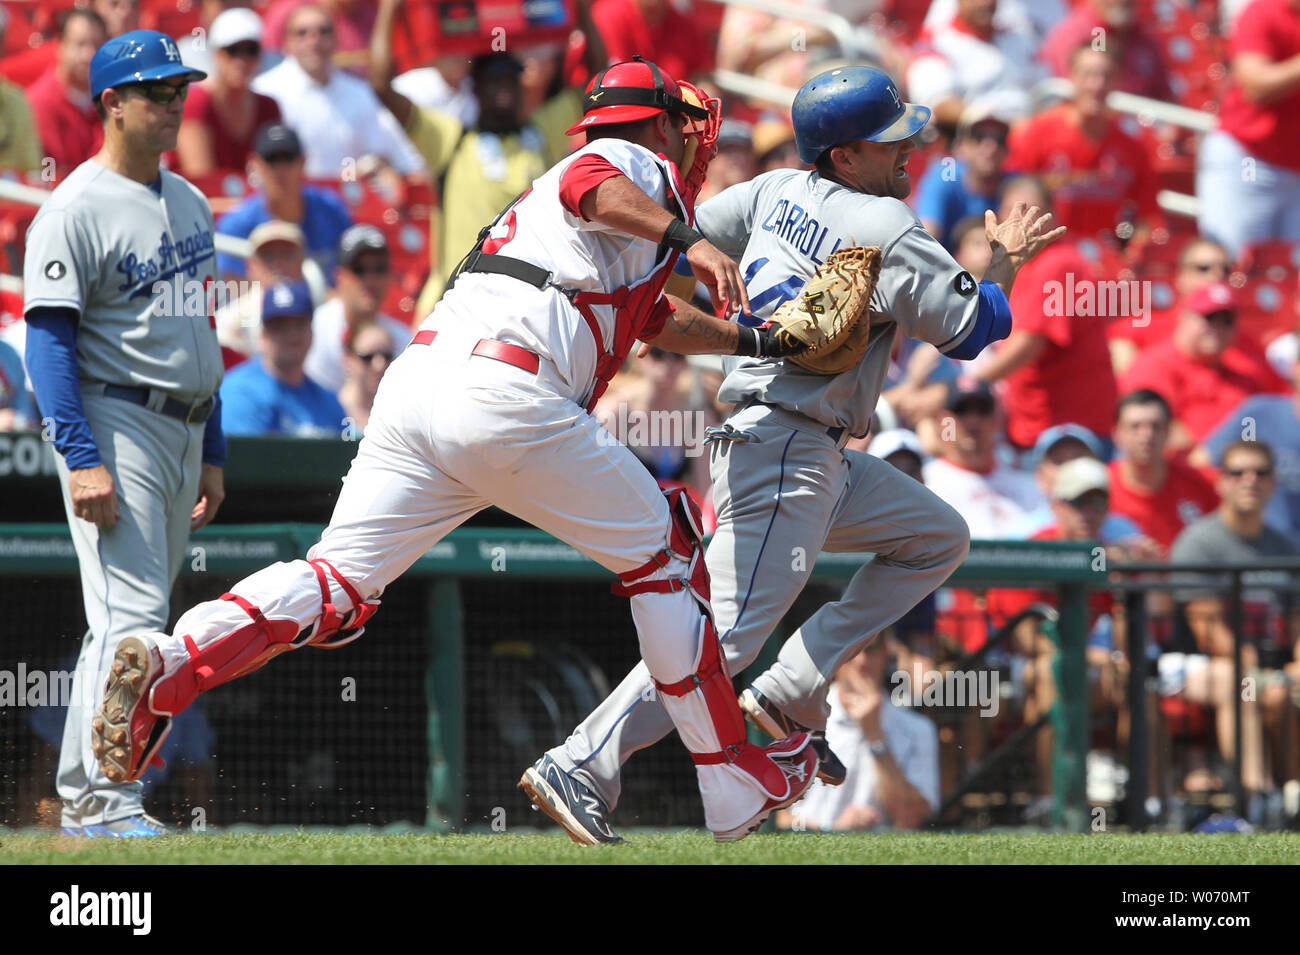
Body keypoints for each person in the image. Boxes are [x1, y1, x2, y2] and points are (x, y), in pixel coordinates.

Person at [90, 58, 824, 844]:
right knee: (667, 550)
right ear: (649, 122)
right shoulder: (626, 166)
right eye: (678, 119)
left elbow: (655, 321)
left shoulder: (604, 215)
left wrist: (759, 338)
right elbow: (592, 184)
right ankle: (727, 772)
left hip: (423, 384)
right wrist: (693, 241)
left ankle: (174, 662)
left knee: (337, 580)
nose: (688, 134)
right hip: (507, 391)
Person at [525, 66, 1065, 843]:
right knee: (728, 636)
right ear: (844, 156)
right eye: (890, 140)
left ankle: (789, 692)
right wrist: (1004, 259)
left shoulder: (777, 190)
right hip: (785, 441)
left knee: (935, 537)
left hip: (802, 445)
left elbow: (684, 237)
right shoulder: (887, 228)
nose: (910, 148)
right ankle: (583, 760)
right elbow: (974, 332)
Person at [23, 30, 222, 837]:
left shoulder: (191, 201)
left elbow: (201, 330)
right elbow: (48, 343)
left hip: (183, 426)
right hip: (117, 420)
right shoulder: (72, 206)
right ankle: (106, 803)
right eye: (155, 90)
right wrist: (80, 456)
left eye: (179, 88)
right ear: (110, 102)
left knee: (123, 620)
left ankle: (81, 790)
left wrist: (213, 449)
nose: (173, 102)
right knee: (137, 614)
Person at [367, 0, 604, 316]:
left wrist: (583, 13)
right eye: (492, 81)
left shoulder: (541, 132)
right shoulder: (449, 140)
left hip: (526, 298)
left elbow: (597, 87)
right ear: (475, 88)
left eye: (509, 80)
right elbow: (381, 86)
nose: (502, 90)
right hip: (459, 301)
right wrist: (389, 10)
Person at [973, 176, 1118, 451]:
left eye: (1034, 213)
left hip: (1066, 434)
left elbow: (1029, 345)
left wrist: (967, 386)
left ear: (1054, 217)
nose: (1025, 223)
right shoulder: (1023, 265)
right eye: (1015, 213)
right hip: (1037, 427)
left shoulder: (1058, 262)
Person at [251, 2, 424, 181]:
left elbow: (395, 156)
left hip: (349, 202)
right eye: (302, 33)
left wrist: (365, 170)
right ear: (287, 42)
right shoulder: (264, 93)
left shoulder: (360, 93)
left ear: (336, 39)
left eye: (323, 31)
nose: (314, 40)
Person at [1006, 44, 1159, 243]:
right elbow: (1011, 198)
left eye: (1107, 75)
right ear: (1072, 77)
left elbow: (1148, 217)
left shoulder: (1132, 148)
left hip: (1105, 260)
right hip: (1044, 251)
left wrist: (1131, 254)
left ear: (1118, 81)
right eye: (1089, 74)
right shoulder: (1037, 133)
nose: (1097, 85)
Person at [785, 638, 940, 831]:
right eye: (853, 649)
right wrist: (830, 827)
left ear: (885, 653)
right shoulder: (796, 721)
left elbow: (910, 818)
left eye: (871, 650)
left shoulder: (919, 729)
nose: (861, 661)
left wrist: (875, 736)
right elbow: (776, 817)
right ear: (836, 655)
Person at [1121, 281, 1290, 450]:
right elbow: (1148, 430)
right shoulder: (1155, 365)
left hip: (1245, 469)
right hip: (1185, 470)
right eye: (1209, 318)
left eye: (1226, 321)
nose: (1217, 327)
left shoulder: (1244, 370)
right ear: (1184, 317)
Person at [1196, 0, 1300, 256]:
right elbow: (1255, 85)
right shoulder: (1264, 11)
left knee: (1290, 281)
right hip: (1248, 159)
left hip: (1294, 170)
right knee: (1232, 266)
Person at [214, 122, 352, 279]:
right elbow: (233, 293)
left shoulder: (332, 211)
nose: (280, 170)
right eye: (271, 160)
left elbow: (351, 275)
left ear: (302, 162)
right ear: (255, 165)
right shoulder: (235, 227)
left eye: (288, 158)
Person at [220, 280, 346, 437]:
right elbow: (244, 458)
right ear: (264, 335)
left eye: (299, 325)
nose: (292, 335)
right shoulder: (240, 391)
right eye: (280, 327)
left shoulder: (328, 400)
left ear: (311, 332)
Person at [173, 7, 281, 178]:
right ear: (216, 54)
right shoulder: (196, 104)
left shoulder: (269, 106)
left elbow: (277, 174)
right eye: (233, 50)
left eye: (250, 50)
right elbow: (202, 179)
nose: (242, 60)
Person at [1109, 389, 1219, 554]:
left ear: (1169, 432)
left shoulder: (1202, 482)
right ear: (1117, 434)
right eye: (1135, 426)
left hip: (1188, 577)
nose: (1146, 435)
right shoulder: (1098, 488)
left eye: (1155, 426)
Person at [305, 224, 411, 394]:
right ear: (339, 276)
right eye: (359, 270)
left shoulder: (404, 340)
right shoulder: (317, 329)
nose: (370, 279)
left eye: (379, 269)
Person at [905, 0, 1044, 127]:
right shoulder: (937, 42)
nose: (986, 3)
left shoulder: (1018, 38)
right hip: (980, 138)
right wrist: (1002, 122)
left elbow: (1045, 86)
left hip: (1031, 129)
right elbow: (938, 104)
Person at [1202, 372, 1300, 540]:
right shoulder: (1257, 416)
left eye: (1263, 473)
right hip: (1254, 545)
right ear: (1296, 368)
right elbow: (1203, 462)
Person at [915, 98, 1015, 252]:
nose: (991, 147)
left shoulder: (1016, 184)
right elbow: (925, 240)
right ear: (961, 146)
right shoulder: (944, 176)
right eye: (979, 137)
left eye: (999, 139)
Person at [26, 10, 108, 179]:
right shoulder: (39, 104)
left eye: (97, 45)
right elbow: (47, 177)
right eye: (80, 45)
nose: (89, 55)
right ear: (60, 46)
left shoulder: (112, 99)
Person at [1039, 0, 1172, 100]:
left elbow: (1164, 92)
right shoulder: (1087, 32)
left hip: (1146, 127)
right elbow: (1079, 96)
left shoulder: (1143, 37)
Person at [214, 219, 309, 358]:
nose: (278, 263)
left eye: (287, 255)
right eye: (268, 256)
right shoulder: (231, 318)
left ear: (301, 262)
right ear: (250, 266)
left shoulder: (321, 312)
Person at [337, 320, 395, 434]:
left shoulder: (397, 412)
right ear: (348, 360)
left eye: (387, 356)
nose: (379, 365)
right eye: (367, 357)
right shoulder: (332, 408)